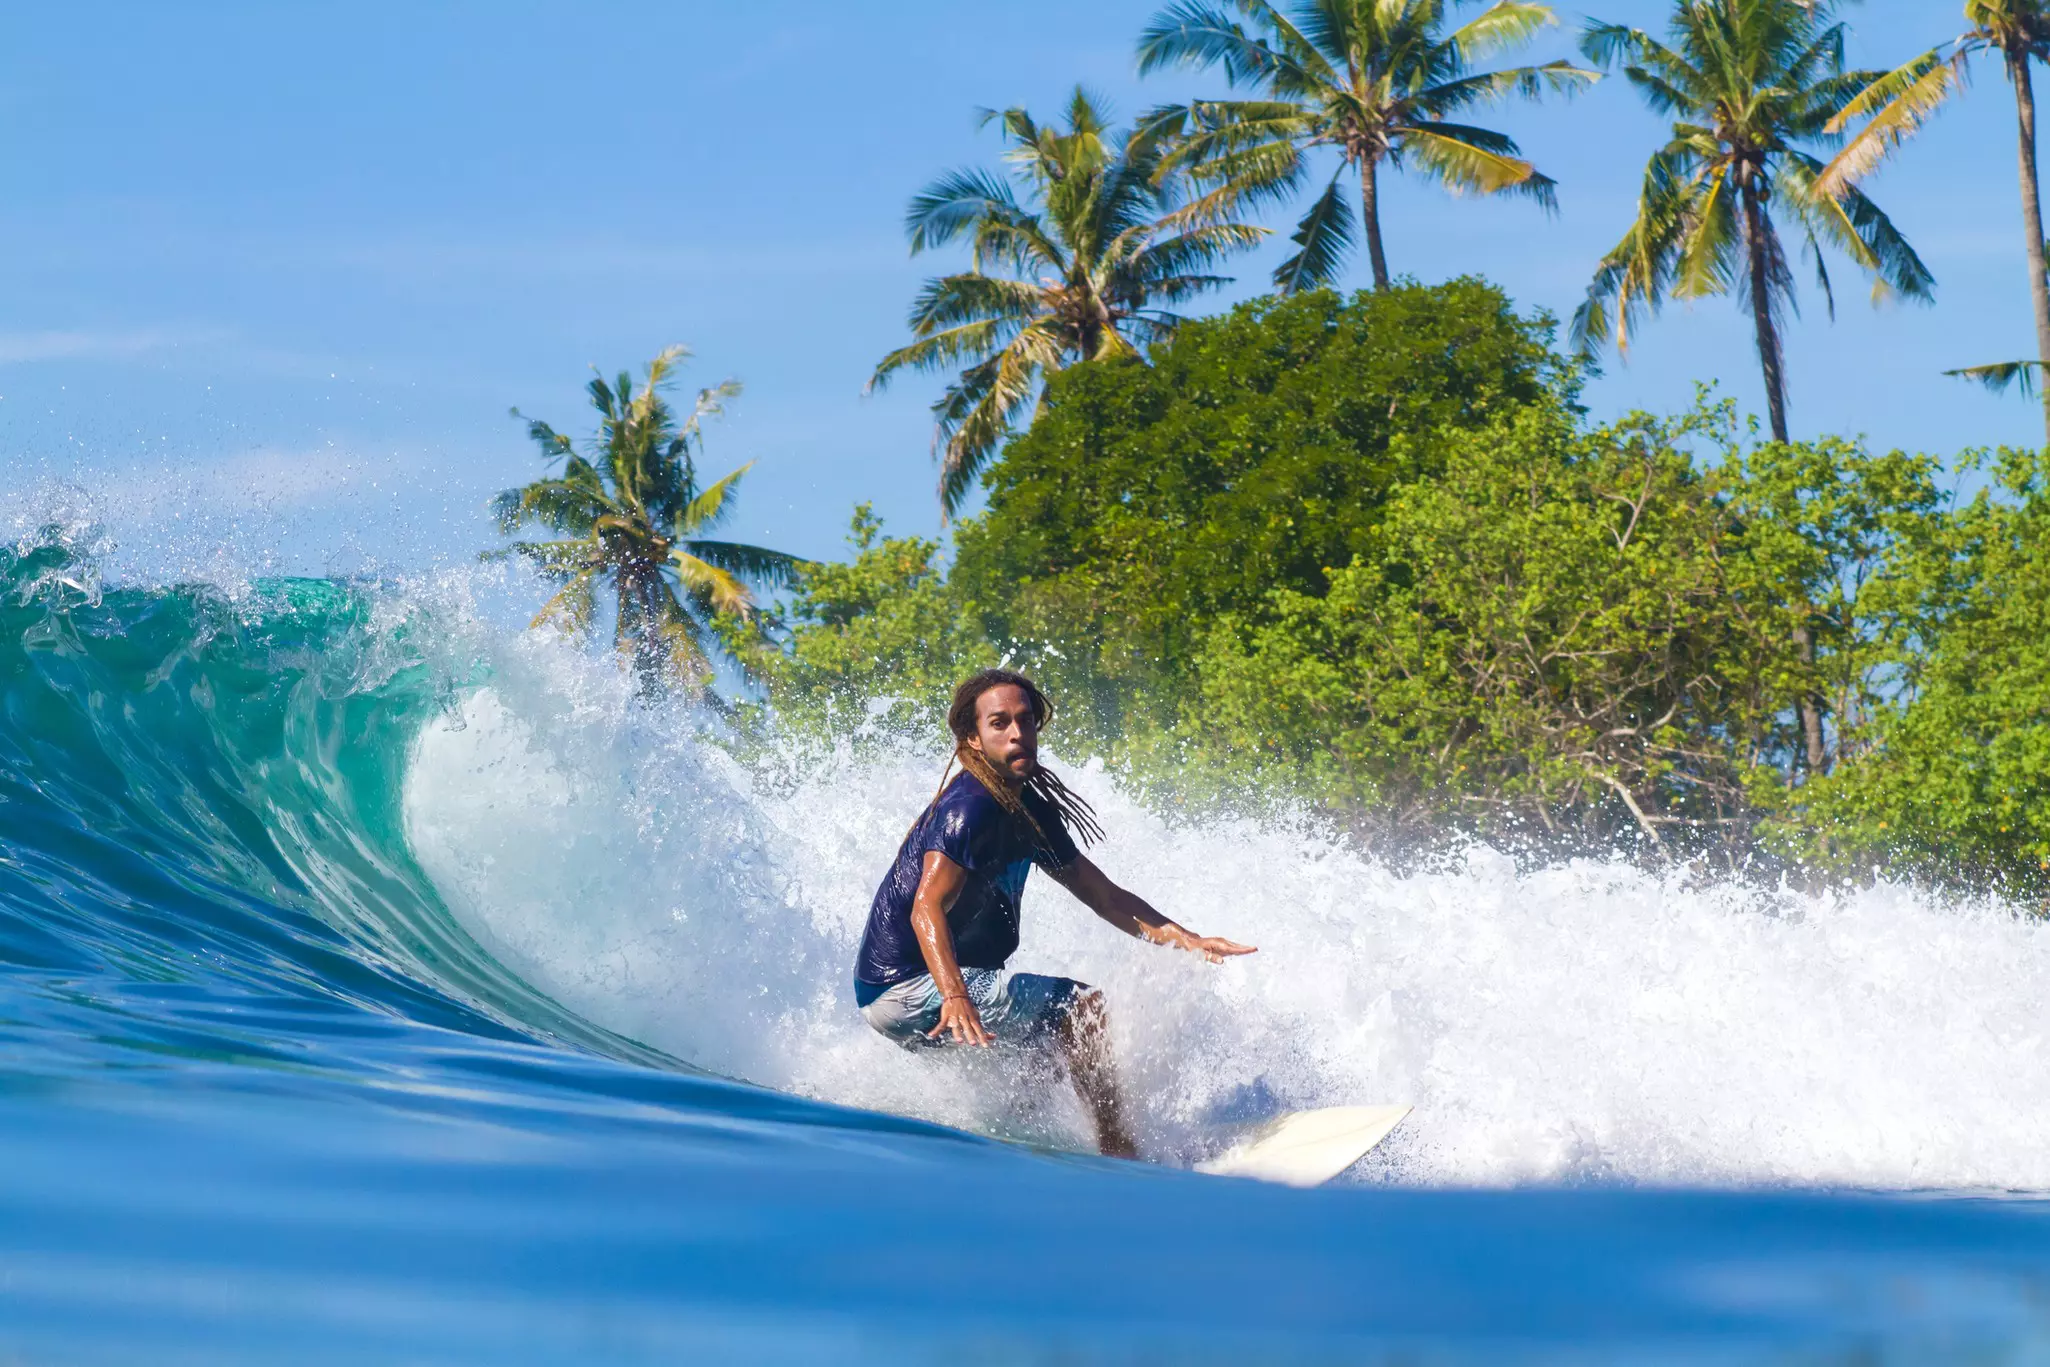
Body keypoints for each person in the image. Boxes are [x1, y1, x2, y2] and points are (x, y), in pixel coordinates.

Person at [852, 668, 1255, 1158]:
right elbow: (925, 908)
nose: (1018, 733)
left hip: (905, 993)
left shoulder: (1031, 810)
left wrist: (1187, 939)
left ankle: (1028, 1148)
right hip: (910, 986)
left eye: (1025, 720)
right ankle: (1119, 1149)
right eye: (999, 723)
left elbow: (1104, 896)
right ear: (973, 739)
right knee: (1083, 1008)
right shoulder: (970, 808)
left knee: (1045, 1057)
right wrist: (954, 994)